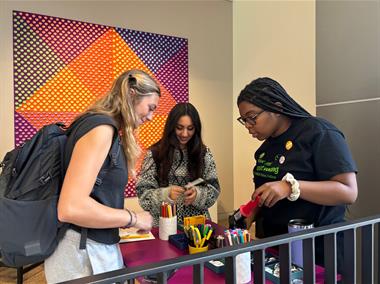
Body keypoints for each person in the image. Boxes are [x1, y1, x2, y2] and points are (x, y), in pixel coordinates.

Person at [44, 69, 161, 283]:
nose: (151, 116)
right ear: (132, 95)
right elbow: (71, 208)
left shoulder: (99, 126)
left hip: (87, 247)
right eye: (150, 107)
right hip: (81, 254)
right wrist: (133, 218)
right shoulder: (101, 129)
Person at [237, 77, 358, 269]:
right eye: (244, 120)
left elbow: (348, 191)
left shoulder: (319, 133)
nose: (248, 126)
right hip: (276, 249)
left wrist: (291, 187)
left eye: (252, 117)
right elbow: (267, 194)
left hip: (318, 253)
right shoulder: (264, 149)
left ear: (275, 108)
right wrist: (252, 212)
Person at [136, 102, 220, 226]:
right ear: (171, 127)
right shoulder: (154, 154)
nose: (185, 134)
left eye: (190, 128)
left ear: (196, 128)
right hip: (163, 225)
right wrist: (165, 194)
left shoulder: (204, 153)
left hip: (197, 228)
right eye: (179, 128)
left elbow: (214, 190)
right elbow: (143, 196)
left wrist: (198, 194)